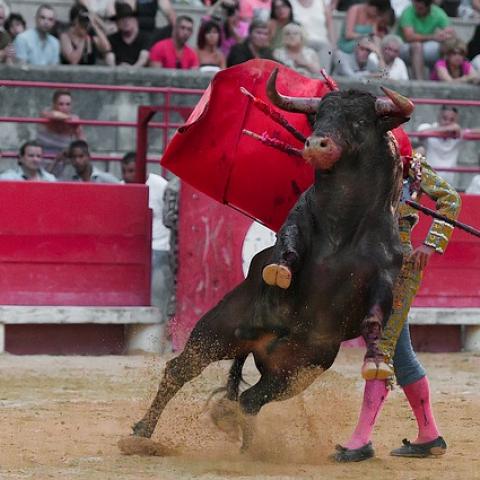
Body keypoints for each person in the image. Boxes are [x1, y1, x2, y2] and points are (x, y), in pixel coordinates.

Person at [334, 149, 461, 462]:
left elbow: (450, 198)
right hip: (366, 263)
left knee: (382, 349)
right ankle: (429, 435)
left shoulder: (408, 162)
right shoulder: (359, 160)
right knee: (399, 353)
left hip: (398, 268)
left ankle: (361, 440)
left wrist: (431, 243)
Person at [416, 106, 480, 187]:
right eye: (445, 118)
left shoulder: (457, 134)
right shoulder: (427, 127)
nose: (447, 122)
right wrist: (446, 129)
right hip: (428, 182)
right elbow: (421, 134)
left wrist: (462, 131)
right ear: (438, 118)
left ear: (456, 121)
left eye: (452, 120)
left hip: (448, 186)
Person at [146, 173, 174, 347]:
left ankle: (160, 340)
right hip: (156, 248)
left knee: (160, 297)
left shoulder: (160, 185)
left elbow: (169, 219)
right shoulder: (165, 185)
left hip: (162, 247)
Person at [398, 0, 454, 79]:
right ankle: (419, 82)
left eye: (421, 7)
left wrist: (444, 35)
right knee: (416, 46)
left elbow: (451, 33)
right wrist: (433, 37)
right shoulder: (408, 12)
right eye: (416, 5)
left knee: (446, 44)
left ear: (429, 6)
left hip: (426, 47)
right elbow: (409, 37)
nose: (417, 8)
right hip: (403, 47)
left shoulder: (437, 12)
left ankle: (441, 79)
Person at [37, 90, 86, 168]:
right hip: (42, 159)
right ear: (54, 105)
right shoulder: (46, 113)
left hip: (63, 161)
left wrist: (71, 151)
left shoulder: (74, 122)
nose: (65, 108)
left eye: (68, 104)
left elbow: (83, 143)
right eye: (61, 104)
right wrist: (69, 118)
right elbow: (53, 115)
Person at [290, 0, 335, 72]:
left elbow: (330, 25)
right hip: (301, 41)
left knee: (326, 47)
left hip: (322, 42)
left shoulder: (323, 2)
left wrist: (333, 44)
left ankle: (323, 79)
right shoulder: (291, 2)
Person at [105, 2, 150, 66]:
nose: (126, 22)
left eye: (129, 18)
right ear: (117, 23)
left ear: (135, 20)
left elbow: (143, 58)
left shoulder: (145, 37)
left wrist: (131, 71)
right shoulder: (112, 38)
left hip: (139, 73)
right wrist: (117, 71)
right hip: (118, 72)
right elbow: (110, 58)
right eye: (122, 19)